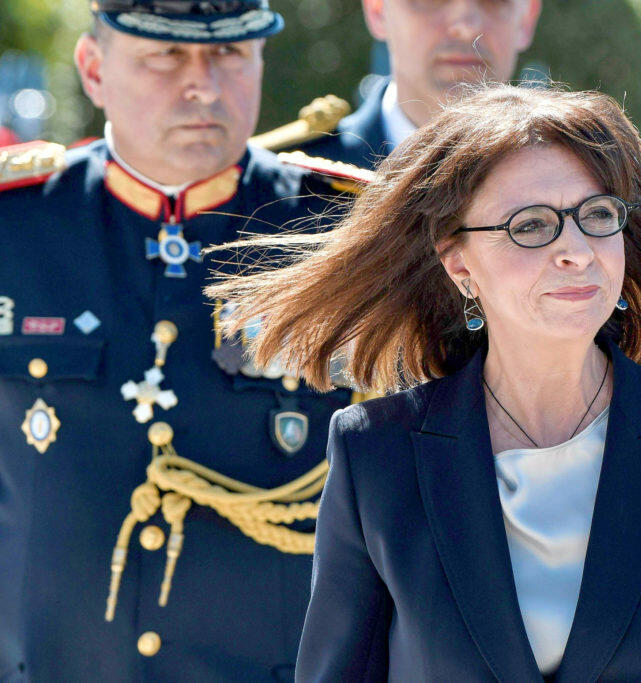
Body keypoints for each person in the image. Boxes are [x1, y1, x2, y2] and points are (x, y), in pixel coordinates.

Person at [208, 84, 641, 681]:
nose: (577, 250)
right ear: (459, 264)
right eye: (531, 225)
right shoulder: (377, 453)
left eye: (597, 215)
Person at [0, 1, 367, 679]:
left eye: (229, 54)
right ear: (93, 69)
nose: (202, 84)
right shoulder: (14, 225)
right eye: (165, 56)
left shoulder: (343, 236)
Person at [296, 0, 542, 166]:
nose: (466, 27)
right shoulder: (292, 187)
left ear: (526, 19)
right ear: (378, 10)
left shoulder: (560, 181)